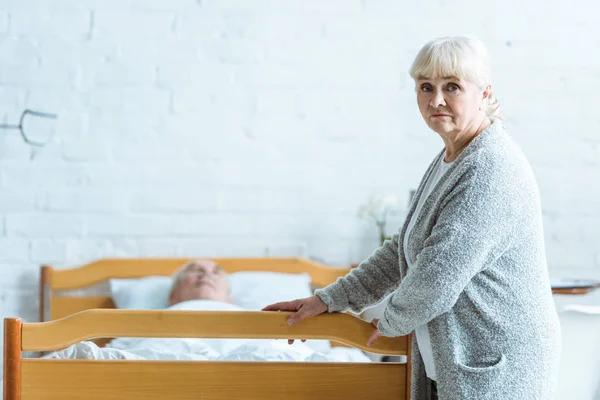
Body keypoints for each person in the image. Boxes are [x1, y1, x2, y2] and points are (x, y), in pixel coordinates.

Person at [263, 36, 561, 400]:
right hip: (460, 363)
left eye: (452, 86)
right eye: (425, 87)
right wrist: (328, 300)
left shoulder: (490, 168)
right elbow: (403, 251)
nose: (436, 100)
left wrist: (388, 323)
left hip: (496, 368)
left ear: (484, 94)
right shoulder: (453, 158)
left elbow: (439, 273)